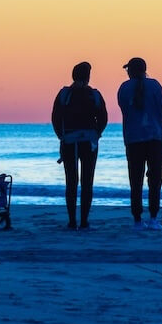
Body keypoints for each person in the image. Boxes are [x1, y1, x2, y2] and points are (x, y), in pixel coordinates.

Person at [51, 62, 108, 230]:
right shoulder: (94, 95)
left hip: (69, 141)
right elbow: (103, 118)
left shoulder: (64, 94)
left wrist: (61, 136)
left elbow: (55, 117)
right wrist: (97, 134)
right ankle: (84, 221)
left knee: (71, 181)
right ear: (88, 76)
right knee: (87, 181)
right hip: (89, 142)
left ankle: (72, 221)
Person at [117, 57, 162, 231]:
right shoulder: (156, 86)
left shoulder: (124, 88)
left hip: (133, 139)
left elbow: (124, 110)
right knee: (155, 179)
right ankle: (153, 218)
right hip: (155, 137)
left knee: (135, 180)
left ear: (131, 71)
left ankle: (137, 219)